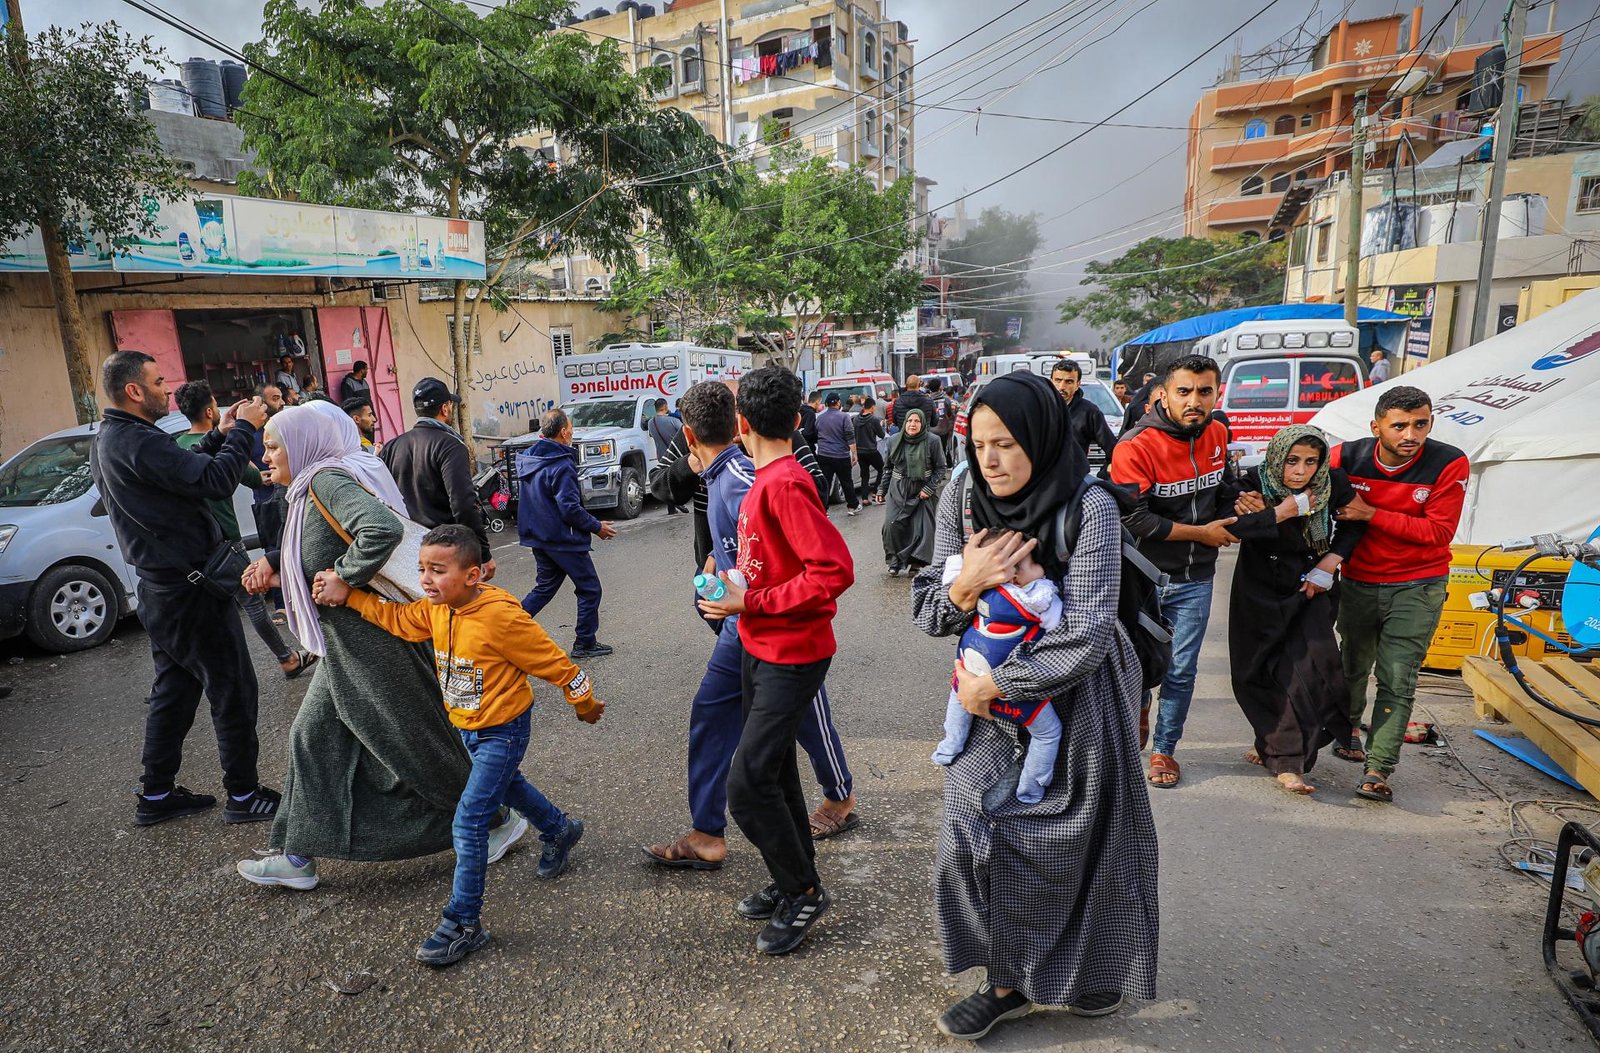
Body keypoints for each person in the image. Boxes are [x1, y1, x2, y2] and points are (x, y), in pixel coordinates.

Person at [910, 371, 1157, 1039]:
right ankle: (1004, 979)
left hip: (1080, 695)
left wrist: (1002, 685)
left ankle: (1088, 969)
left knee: (1080, 842)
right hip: (985, 693)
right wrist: (967, 586)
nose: (989, 460)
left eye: (1007, 444)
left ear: (1044, 439)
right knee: (973, 819)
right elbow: (928, 606)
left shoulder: (1091, 506)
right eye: (978, 441)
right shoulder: (964, 493)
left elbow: (1089, 628)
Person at [234, 402, 525, 891]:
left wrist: (345, 580)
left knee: (415, 744)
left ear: (303, 444)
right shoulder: (308, 489)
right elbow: (325, 547)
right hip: (345, 647)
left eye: (273, 444)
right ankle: (296, 854)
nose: (265, 455)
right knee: (311, 739)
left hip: (374, 643)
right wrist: (281, 569)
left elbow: (381, 530)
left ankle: (496, 820)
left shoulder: (327, 480)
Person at [313, 524, 603, 966]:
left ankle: (463, 922)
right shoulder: (437, 609)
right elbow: (401, 620)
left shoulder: (501, 617)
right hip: (467, 727)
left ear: (473, 575)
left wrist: (584, 700)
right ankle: (561, 829)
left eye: (438, 570)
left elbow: (555, 662)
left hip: (502, 731)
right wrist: (352, 596)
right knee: (508, 787)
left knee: (468, 822)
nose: (426, 579)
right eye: (423, 569)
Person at [645, 381, 858, 871]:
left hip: (775, 625)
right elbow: (739, 541)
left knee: (798, 720)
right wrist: (718, 569)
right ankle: (707, 833)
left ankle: (830, 813)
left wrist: (751, 597)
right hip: (742, 622)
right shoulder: (724, 471)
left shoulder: (754, 478)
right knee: (714, 712)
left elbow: (818, 562)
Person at [697, 366, 854, 956]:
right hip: (758, 645)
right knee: (776, 770)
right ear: (797, 418)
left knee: (746, 784)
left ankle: (804, 891)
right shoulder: (763, 478)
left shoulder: (785, 483)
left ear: (740, 425)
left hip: (794, 653)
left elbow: (835, 571)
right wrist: (728, 580)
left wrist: (750, 599)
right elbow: (770, 562)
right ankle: (793, 879)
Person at [88, 351, 280, 827]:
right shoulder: (135, 440)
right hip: (189, 592)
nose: (165, 388)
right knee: (232, 687)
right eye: (157, 382)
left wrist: (217, 433)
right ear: (134, 391)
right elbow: (214, 481)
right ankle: (243, 794)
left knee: (174, 690)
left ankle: (155, 795)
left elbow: (182, 468)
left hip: (162, 591)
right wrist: (244, 432)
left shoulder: (113, 438)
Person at [1329, 386, 1468, 804]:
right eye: (1400, 425)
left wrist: (1370, 513)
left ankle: (1378, 767)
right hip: (1358, 581)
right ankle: (1348, 729)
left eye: (1421, 424)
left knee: (1397, 677)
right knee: (1351, 664)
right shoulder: (1345, 458)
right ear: (1377, 427)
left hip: (1418, 584)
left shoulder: (1448, 462)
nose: (1411, 434)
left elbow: (1438, 534)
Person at [1109, 354, 1238, 790]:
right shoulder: (1134, 446)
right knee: (1140, 669)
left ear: (1217, 393)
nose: (1195, 401)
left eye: (1205, 392)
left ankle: (1165, 750)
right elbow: (1135, 519)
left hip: (1196, 579)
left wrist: (1241, 501)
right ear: (1162, 393)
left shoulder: (1219, 432)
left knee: (1182, 670)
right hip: (1143, 580)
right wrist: (1200, 533)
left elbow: (1221, 488)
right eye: (1184, 391)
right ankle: (1139, 710)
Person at [1226, 425, 1365, 795]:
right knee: (1255, 670)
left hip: (1311, 585)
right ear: (1277, 458)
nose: (1301, 471)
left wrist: (1330, 563)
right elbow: (1236, 530)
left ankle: (1291, 761)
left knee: (1311, 669)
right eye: (1292, 461)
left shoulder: (1332, 483)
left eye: (1311, 461)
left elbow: (1355, 525)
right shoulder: (1252, 481)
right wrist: (1283, 512)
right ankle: (1270, 740)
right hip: (1259, 588)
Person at [173, 380, 316, 681]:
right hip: (225, 541)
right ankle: (287, 658)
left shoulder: (177, 450)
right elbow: (255, 478)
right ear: (211, 410)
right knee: (251, 600)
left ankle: (190, 672)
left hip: (193, 548)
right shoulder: (224, 447)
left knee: (205, 609)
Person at [931, 543, 1063, 803]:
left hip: (970, 668)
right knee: (1048, 733)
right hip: (1019, 684)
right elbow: (1059, 627)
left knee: (958, 696)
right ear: (1014, 576)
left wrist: (972, 561)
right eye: (1033, 565)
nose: (1041, 568)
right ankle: (1031, 788)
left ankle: (950, 746)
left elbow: (950, 570)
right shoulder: (1037, 596)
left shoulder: (981, 588)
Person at [518, 408, 617, 659]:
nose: (572, 431)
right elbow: (569, 508)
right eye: (570, 427)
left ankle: (506, 629)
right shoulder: (561, 464)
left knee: (544, 588)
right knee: (590, 588)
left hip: (539, 536)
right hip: (563, 539)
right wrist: (597, 526)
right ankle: (584, 643)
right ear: (563, 432)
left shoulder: (530, 458)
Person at [381, 377, 495, 578]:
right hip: (446, 550)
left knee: (424, 609)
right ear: (445, 408)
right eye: (450, 405)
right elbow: (463, 504)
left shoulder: (392, 447)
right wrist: (483, 553)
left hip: (409, 550)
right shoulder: (451, 446)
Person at [879, 409, 948, 575]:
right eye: (910, 421)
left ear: (922, 423)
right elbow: (888, 468)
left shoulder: (932, 441)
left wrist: (929, 488)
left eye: (917, 421)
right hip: (898, 489)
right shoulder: (894, 440)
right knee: (891, 525)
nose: (913, 424)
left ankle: (916, 563)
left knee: (921, 528)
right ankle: (894, 562)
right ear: (905, 423)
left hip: (922, 491)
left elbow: (940, 467)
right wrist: (882, 488)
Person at [1050, 360, 1116, 461]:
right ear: (1051, 382)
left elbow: (1112, 448)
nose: (1062, 387)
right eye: (1058, 380)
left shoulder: (1089, 412)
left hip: (1076, 474)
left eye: (1069, 382)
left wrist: (1107, 470)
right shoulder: (1038, 409)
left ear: (1077, 384)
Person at [814, 392, 861, 516]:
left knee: (825, 483)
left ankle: (823, 510)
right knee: (846, 482)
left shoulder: (820, 418)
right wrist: (854, 453)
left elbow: (816, 434)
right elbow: (850, 436)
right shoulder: (844, 417)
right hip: (841, 455)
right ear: (838, 403)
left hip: (824, 455)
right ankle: (852, 506)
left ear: (827, 404)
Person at [646, 398, 688, 514]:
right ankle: (678, 501)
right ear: (665, 407)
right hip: (676, 455)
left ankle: (671, 508)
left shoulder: (651, 423)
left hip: (662, 456)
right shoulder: (673, 421)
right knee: (679, 480)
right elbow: (685, 433)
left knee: (668, 480)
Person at [854, 397, 887, 501]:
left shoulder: (855, 419)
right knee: (882, 469)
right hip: (871, 450)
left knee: (864, 474)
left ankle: (864, 499)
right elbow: (881, 435)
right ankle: (876, 490)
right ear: (872, 407)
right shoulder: (874, 420)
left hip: (860, 451)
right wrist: (881, 426)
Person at [926, 377, 957, 460]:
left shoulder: (927, 401)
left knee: (932, 451)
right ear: (939, 387)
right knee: (943, 449)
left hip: (930, 430)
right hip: (943, 430)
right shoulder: (946, 400)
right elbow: (950, 414)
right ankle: (942, 465)